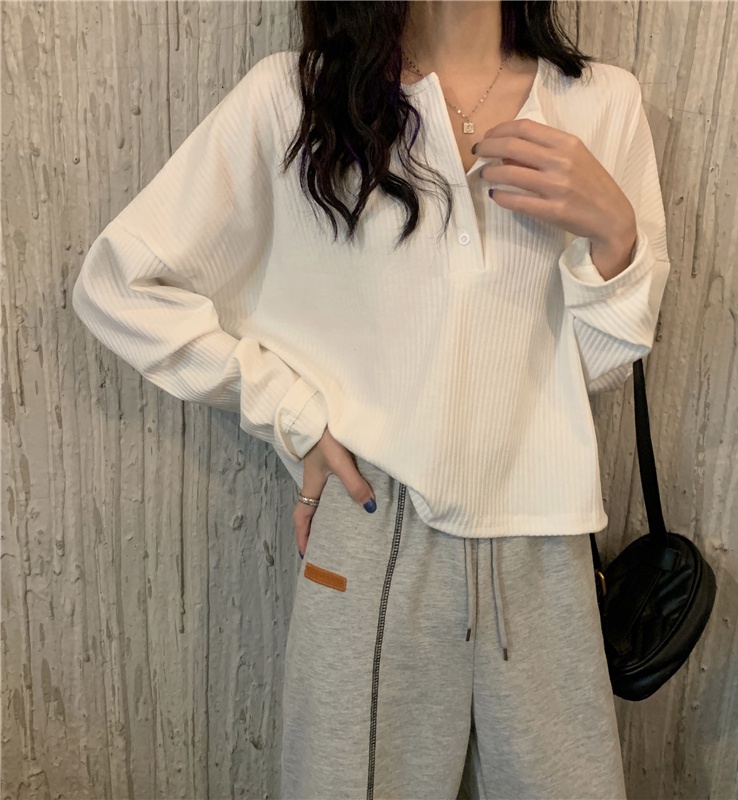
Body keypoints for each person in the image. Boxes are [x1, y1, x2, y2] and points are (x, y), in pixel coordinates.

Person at [72, 1, 671, 797]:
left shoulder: (602, 103)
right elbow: (120, 283)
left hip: (546, 542)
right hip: (372, 521)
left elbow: (594, 366)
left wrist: (616, 239)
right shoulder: (295, 100)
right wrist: (289, 413)